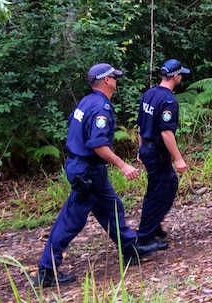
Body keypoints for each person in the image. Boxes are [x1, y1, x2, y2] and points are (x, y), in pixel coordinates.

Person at [35, 63, 163, 288]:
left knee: (112, 208)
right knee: (71, 220)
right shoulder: (100, 108)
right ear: (106, 80)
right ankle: (47, 270)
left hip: (89, 168)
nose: (116, 80)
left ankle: (131, 250)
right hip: (87, 170)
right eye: (114, 77)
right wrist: (123, 165)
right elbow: (98, 144)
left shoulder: (87, 102)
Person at [135, 59, 190, 248]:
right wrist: (179, 159)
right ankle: (145, 235)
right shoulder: (168, 101)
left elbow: (140, 125)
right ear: (175, 76)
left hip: (148, 148)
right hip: (157, 151)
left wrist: (140, 149)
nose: (182, 77)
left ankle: (153, 225)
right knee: (164, 188)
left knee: (155, 188)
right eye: (181, 74)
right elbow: (166, 132)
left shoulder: (149, 94)